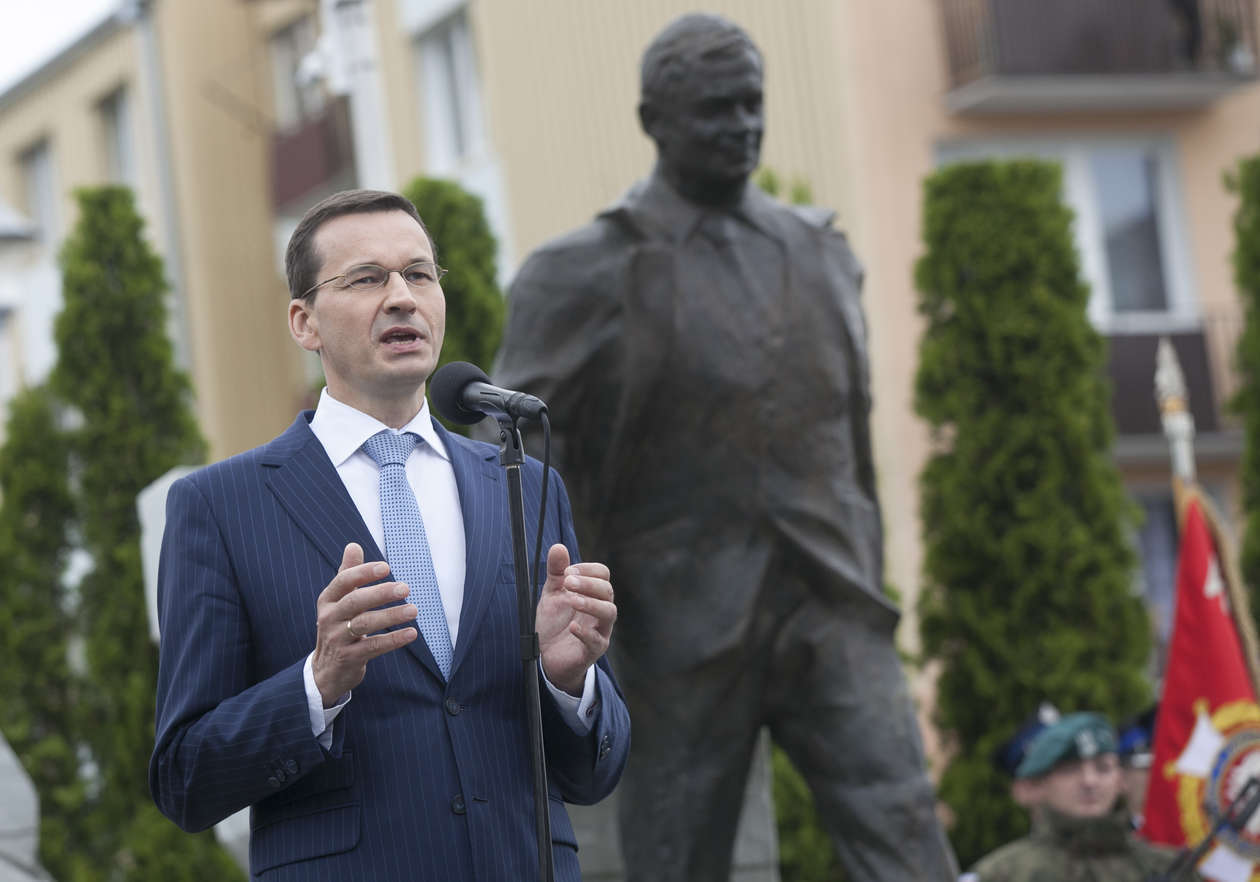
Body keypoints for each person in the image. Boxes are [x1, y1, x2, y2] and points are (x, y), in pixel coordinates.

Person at [492, 13, 957, 881]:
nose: (741, 126)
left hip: (833, 599)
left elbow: (850, 435)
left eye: (751, 105)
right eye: (715, 110)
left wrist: (868, 566)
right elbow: (515, 455)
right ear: (653, 120)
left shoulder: (820, 253)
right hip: (678, 623)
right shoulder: (586, 269)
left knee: (904, 830)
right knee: (678, 856)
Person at [148, 189, 630, 881]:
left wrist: (567, 679)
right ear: (304, 322)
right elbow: (184, 778)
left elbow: (594, 774)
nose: (402, 297)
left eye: (419, 274)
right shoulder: (219, 508)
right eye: (367, 279)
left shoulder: (525, 484)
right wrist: (318, 683)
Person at [965, 712, 1186, 882]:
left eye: (1103, 768)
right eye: (1070, 770)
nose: (1089, 781)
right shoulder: (1003, 875)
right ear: (1039, 785)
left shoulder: (1166, 868)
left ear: (1120, 781)